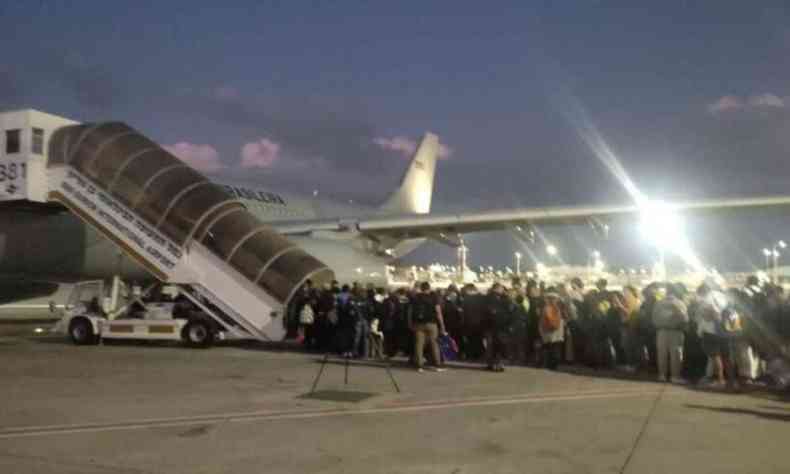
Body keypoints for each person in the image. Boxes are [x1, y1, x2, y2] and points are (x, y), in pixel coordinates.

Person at [652, 284, 689, 383]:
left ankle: (662, 375)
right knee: (676, 355)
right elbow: (685, 318)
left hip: (661, 331)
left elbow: (654, 319)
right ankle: (675, 376)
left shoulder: (659, 303)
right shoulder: (680, 303)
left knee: (662, 354)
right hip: (676, 332)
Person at [408, 282, 447, 372]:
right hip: (431, 323)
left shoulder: (415, 298)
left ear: (421, 288)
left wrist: (409, 323)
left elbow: (410, 312)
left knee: (419, 344)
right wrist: (442, 325)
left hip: (418, 324)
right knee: (434, 343)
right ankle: (437, 364)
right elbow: (438, 312)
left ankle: (419, 365)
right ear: (429, 288)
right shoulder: (433, 298)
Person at [484, 283, 513, 372]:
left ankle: (493, 364)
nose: (502, 290)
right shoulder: (500, 299)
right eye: (501, 289)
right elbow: (509, 311)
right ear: (497, 289)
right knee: (499, 346)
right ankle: (498, 364)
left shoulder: (488, 298)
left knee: (493, 346)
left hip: (493, 326)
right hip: (499, 326)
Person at [539, 290, 566, 370]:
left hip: (551, 331)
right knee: (553, 348)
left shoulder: (549, 308)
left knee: (551, 348)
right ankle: (552, 365)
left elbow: (548, 320)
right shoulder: (555, 308)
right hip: (554, 331)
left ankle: (551, 365)